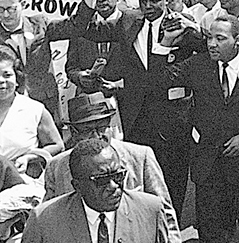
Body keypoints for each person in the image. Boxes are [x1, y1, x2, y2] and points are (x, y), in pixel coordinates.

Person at [83, 0, 204, 218]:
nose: (148, 6)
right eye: (143, 1)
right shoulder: (128, 21)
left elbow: (206, 52)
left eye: (154, 1)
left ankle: (171, 226)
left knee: (172, 179)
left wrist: (195, 30)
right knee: (138, 176)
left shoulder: (182, 26)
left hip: (172, 119)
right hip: (136, 115)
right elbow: (91, 30)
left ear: (166, 0)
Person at [168, 14, 239, 243]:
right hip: (207, 166)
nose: (212, 44)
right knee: (210, 232)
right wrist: (165, 44)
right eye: (209, 38)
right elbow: (161, 80)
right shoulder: (198, 65)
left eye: (220, 38)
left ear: (237, 40)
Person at [44, 93, 181, 242]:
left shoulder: (141, 156)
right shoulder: (57, 167)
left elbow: (165, 214)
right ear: (74, 133)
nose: (97, 135)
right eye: (87, 130)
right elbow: (48, 219)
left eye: (102, 127)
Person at [21, 139, 171, 243]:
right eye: (101, 180)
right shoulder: (44, 220)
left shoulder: (150, 210)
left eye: (118, 176)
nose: (113, 186)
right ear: (77, 186)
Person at [0, 47, 63, 182]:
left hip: (21, 183)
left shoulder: (34, 109)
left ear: (17, 78)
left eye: (7, 75)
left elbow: (57, 145)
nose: (1, 80)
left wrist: (30, 157)